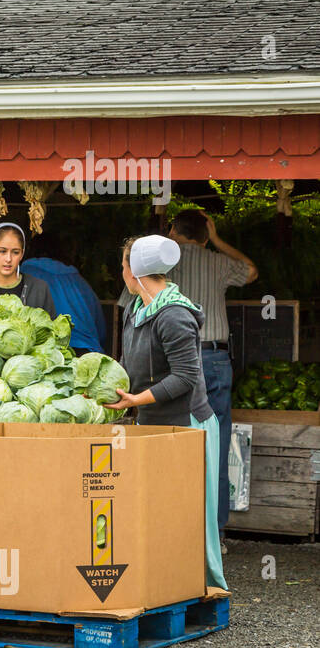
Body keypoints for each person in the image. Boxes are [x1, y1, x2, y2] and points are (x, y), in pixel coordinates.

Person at [104, 235, 227, 590]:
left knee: (190, 512)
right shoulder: (135, 309)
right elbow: (131, 364)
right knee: (158, 509)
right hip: (152, 424)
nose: (122, 272)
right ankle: (163, 583)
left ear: (135, 271)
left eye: (124, 265)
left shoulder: (174, 315)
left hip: (186, 426)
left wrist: (135, 401)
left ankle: (201, 585)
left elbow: (186, 377)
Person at [166, 208, 257, 550]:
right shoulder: (218, 263)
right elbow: (251, 271)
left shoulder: (162, 266)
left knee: (172, 439)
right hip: (215, 358)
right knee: (214, 444)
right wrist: (217, 239)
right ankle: (215, 535)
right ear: (205, 234)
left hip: (176, 360)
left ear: (174, 231)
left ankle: (175, 529)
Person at [20, 257, 108, 353]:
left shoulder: (26, 275)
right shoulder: (79, 280)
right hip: (88, 353)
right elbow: (101, 331)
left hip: (50, 353)